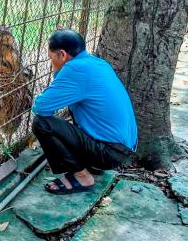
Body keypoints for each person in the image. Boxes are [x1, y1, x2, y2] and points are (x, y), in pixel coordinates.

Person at [31, 29, 137, 195]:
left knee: (41, 123)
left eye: (51, 58)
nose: (51, 62)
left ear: (62, 55)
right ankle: (90, 165)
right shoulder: (97, 63)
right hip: (122, 148)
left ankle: (82, 176)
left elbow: (41, 107)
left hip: (109, 153)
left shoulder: (75, 70)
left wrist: (59, 73)